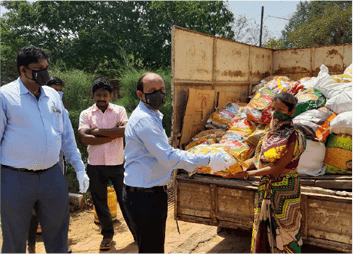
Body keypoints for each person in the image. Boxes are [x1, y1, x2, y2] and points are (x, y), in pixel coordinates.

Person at [122, 72, 231, 253]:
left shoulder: (153, 115)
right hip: (143, 197)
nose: (159, 94)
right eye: (152, 90)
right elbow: (168, 158)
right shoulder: (144, 119)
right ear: (140, 94)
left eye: (162, 90)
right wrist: (208, 160)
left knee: (153, 247)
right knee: (151, 249)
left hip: (149, 193)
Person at [0, 45, 90, 253]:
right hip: (15, 178)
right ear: (23, 70)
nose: (45, 73)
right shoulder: (5, 96)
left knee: (59, 236)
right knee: (14, 241)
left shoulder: (53, 95)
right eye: (38, 69)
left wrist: (79, 168)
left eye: (46, 67)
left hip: (52, 175)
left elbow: (66, 136)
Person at [233, 92, 306, 254]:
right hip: (265, 190)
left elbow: (277, 169)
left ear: (291, 112)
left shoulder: (295, 136)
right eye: (273, 109)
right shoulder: (268, 135)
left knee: (286, 234)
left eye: (281, 109)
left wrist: (247, 175)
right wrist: (238, 166)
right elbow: (257, 158)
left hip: (285, 192)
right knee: (262, 232)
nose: (275, 113)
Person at [78, 78, 136, 251]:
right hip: (95, 165)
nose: (101, 98)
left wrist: (98, 133)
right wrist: (113, 134)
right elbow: (83, 139)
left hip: (118, 164)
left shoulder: (119, 111)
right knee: (99, 201)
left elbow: (125, 131)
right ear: (93, 95)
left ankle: (137, 233)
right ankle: (107, 235)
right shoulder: (86, 114)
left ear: (111, 95)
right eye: (98, 95)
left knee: (126, 200)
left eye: (105, 95)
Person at [27, 76, 72, 254]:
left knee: (56, 212)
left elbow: (68, 142)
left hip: (57, 168)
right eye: (55, 89)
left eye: (60, 89)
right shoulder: (31, 110)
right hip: (32, 171)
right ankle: (31, 247)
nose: (58, 93)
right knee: (32, 212)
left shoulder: (63, 112)